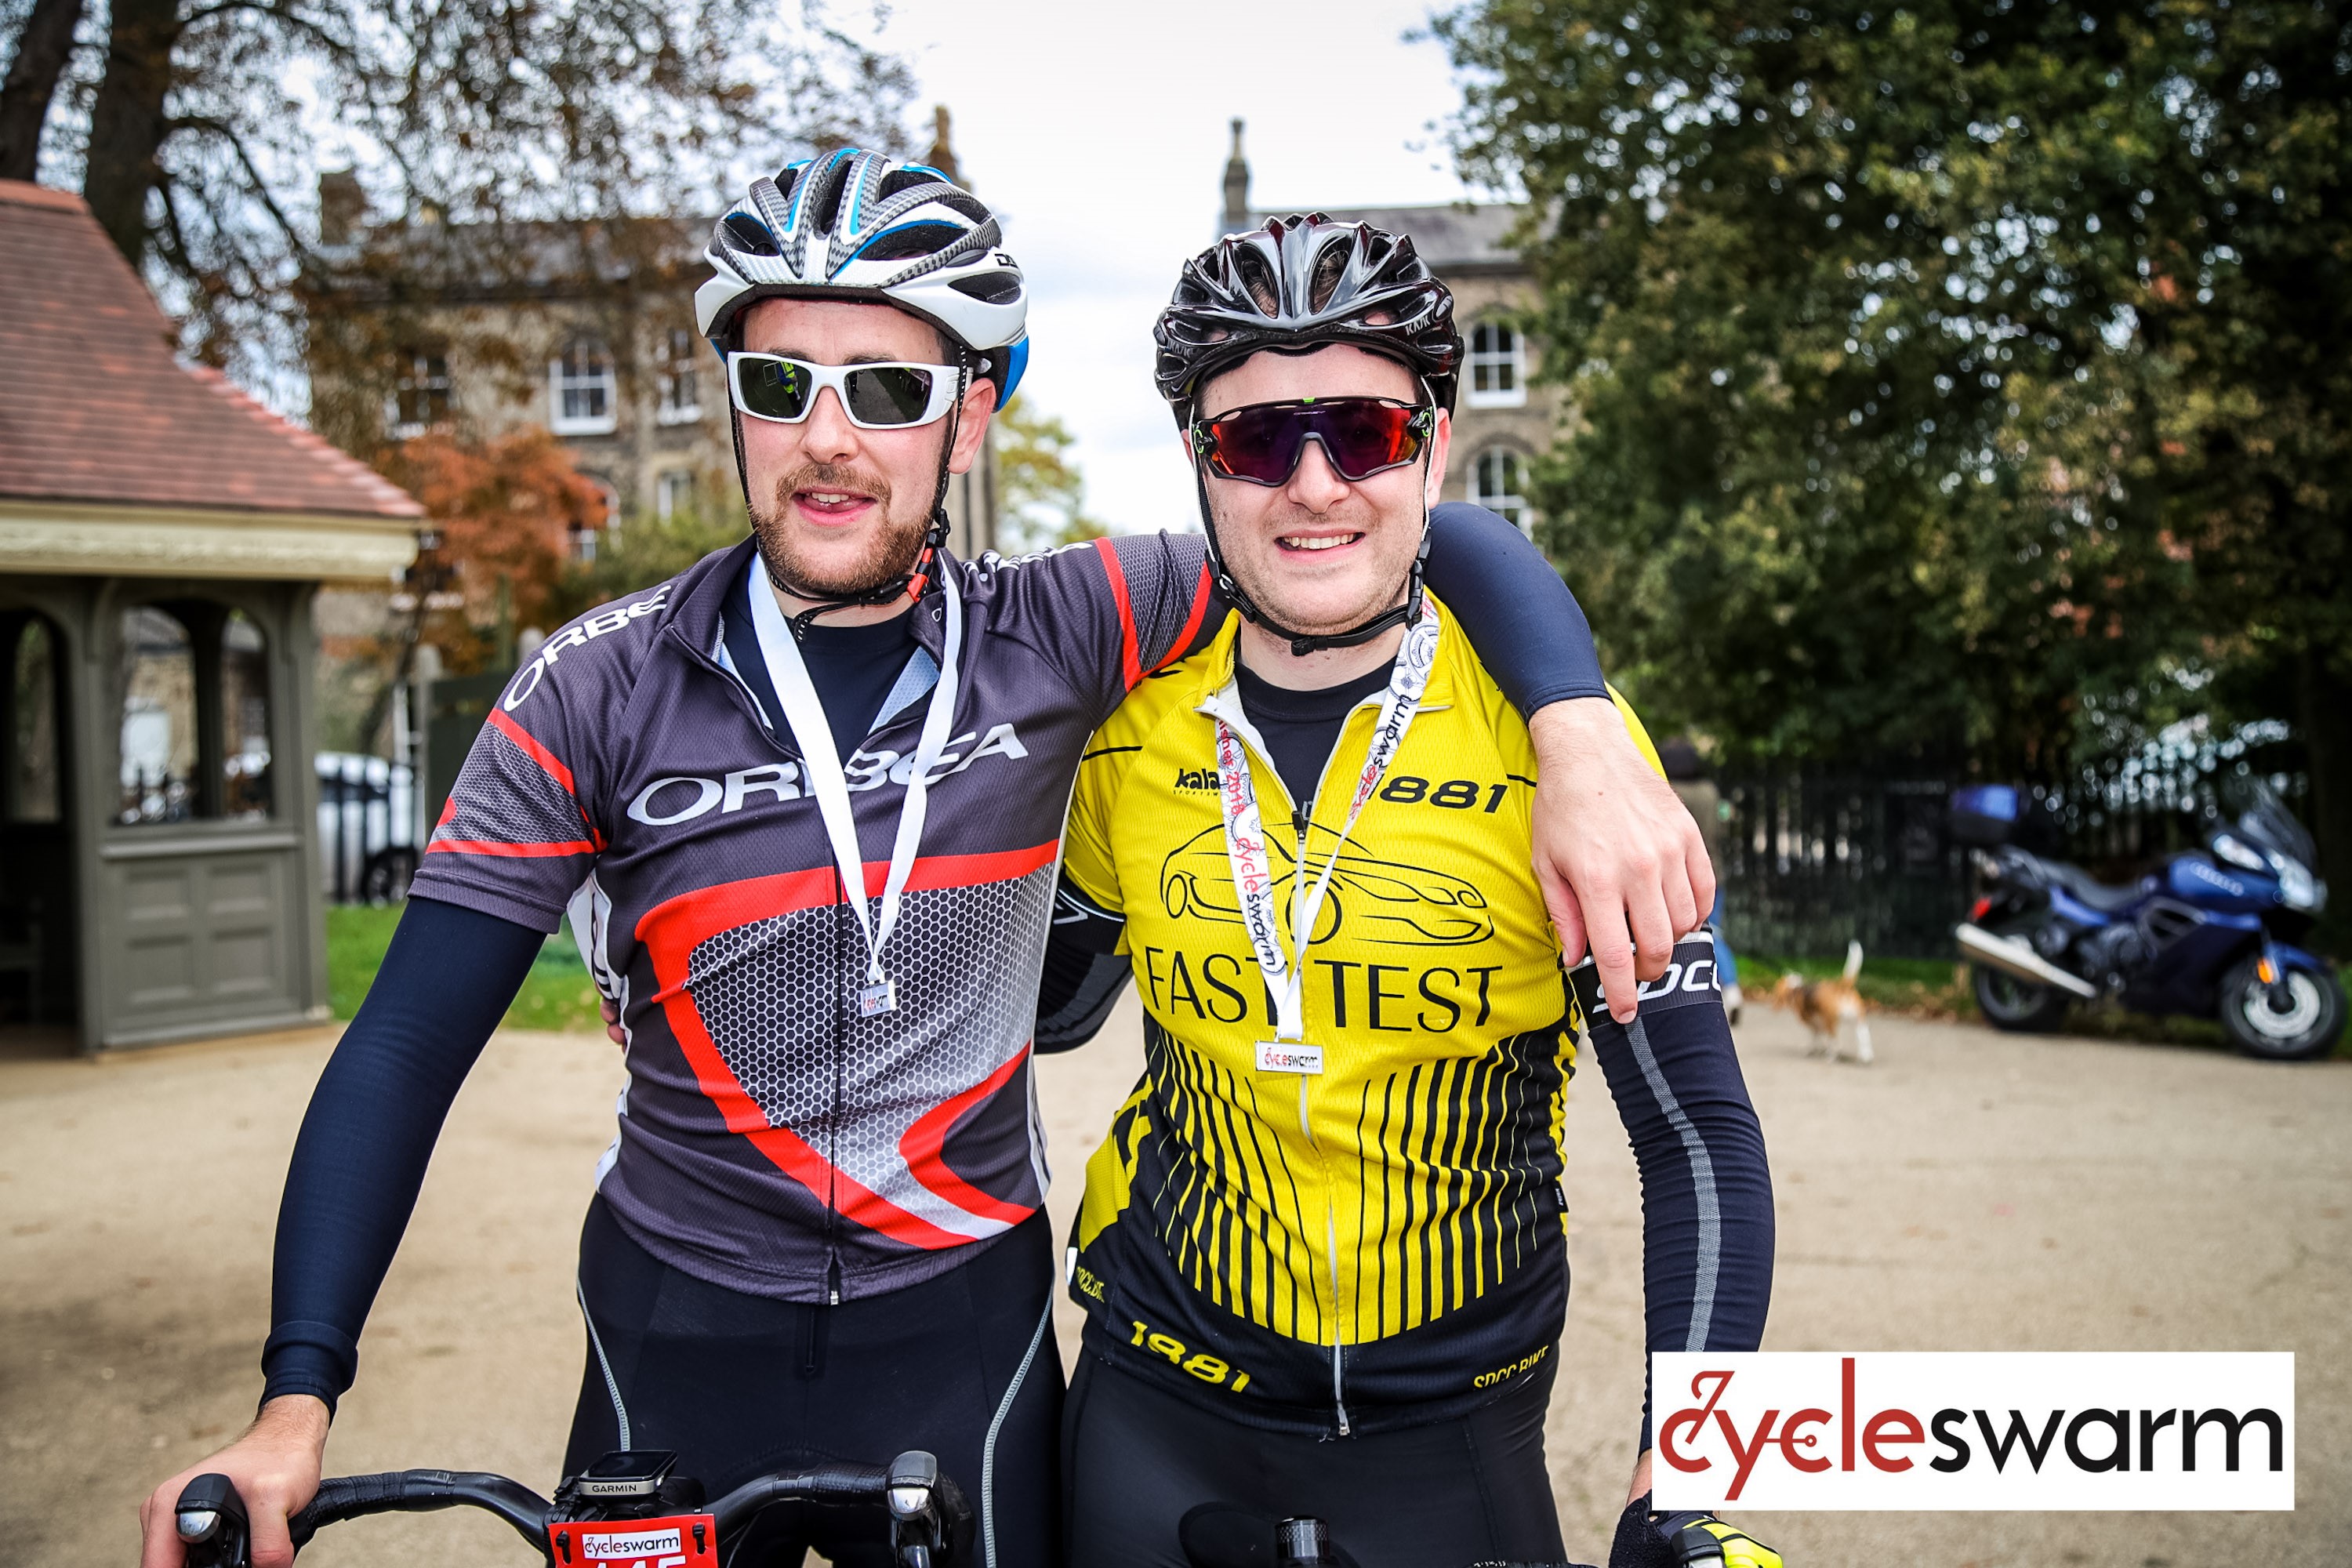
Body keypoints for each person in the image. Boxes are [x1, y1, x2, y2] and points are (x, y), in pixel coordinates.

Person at [136, 154, 1709, 1568]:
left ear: (968, 417)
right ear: (732, 404)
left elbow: (1387, 526)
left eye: (887, 390)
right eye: (780, 383)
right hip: (674, 1326)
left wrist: (1577, 725)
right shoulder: (590, 689)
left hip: (967, 1338)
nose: (828, 440)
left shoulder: (1064, 629)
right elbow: (405, 1045)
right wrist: (293, 1401)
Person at [1036, 215, 1780, 1568]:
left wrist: (1687, 1485)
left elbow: (1698, 1141)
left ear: (1433, 450)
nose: (1313, 484)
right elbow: (1040, 1013)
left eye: (1365, 432)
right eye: (1257, 441)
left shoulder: (1565, 754)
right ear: (1202, 464)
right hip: (1154, 1404)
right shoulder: (1127, 730)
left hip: (1454, 1434)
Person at [1660, 738, 1743, 1025]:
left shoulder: (1667, 791)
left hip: (1678, 875)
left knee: (1675, 935)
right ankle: (1732, 990)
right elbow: (1725, 823)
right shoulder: (1710, 792)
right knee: (1713, 933)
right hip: (1711, 873)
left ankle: (1683, 995)